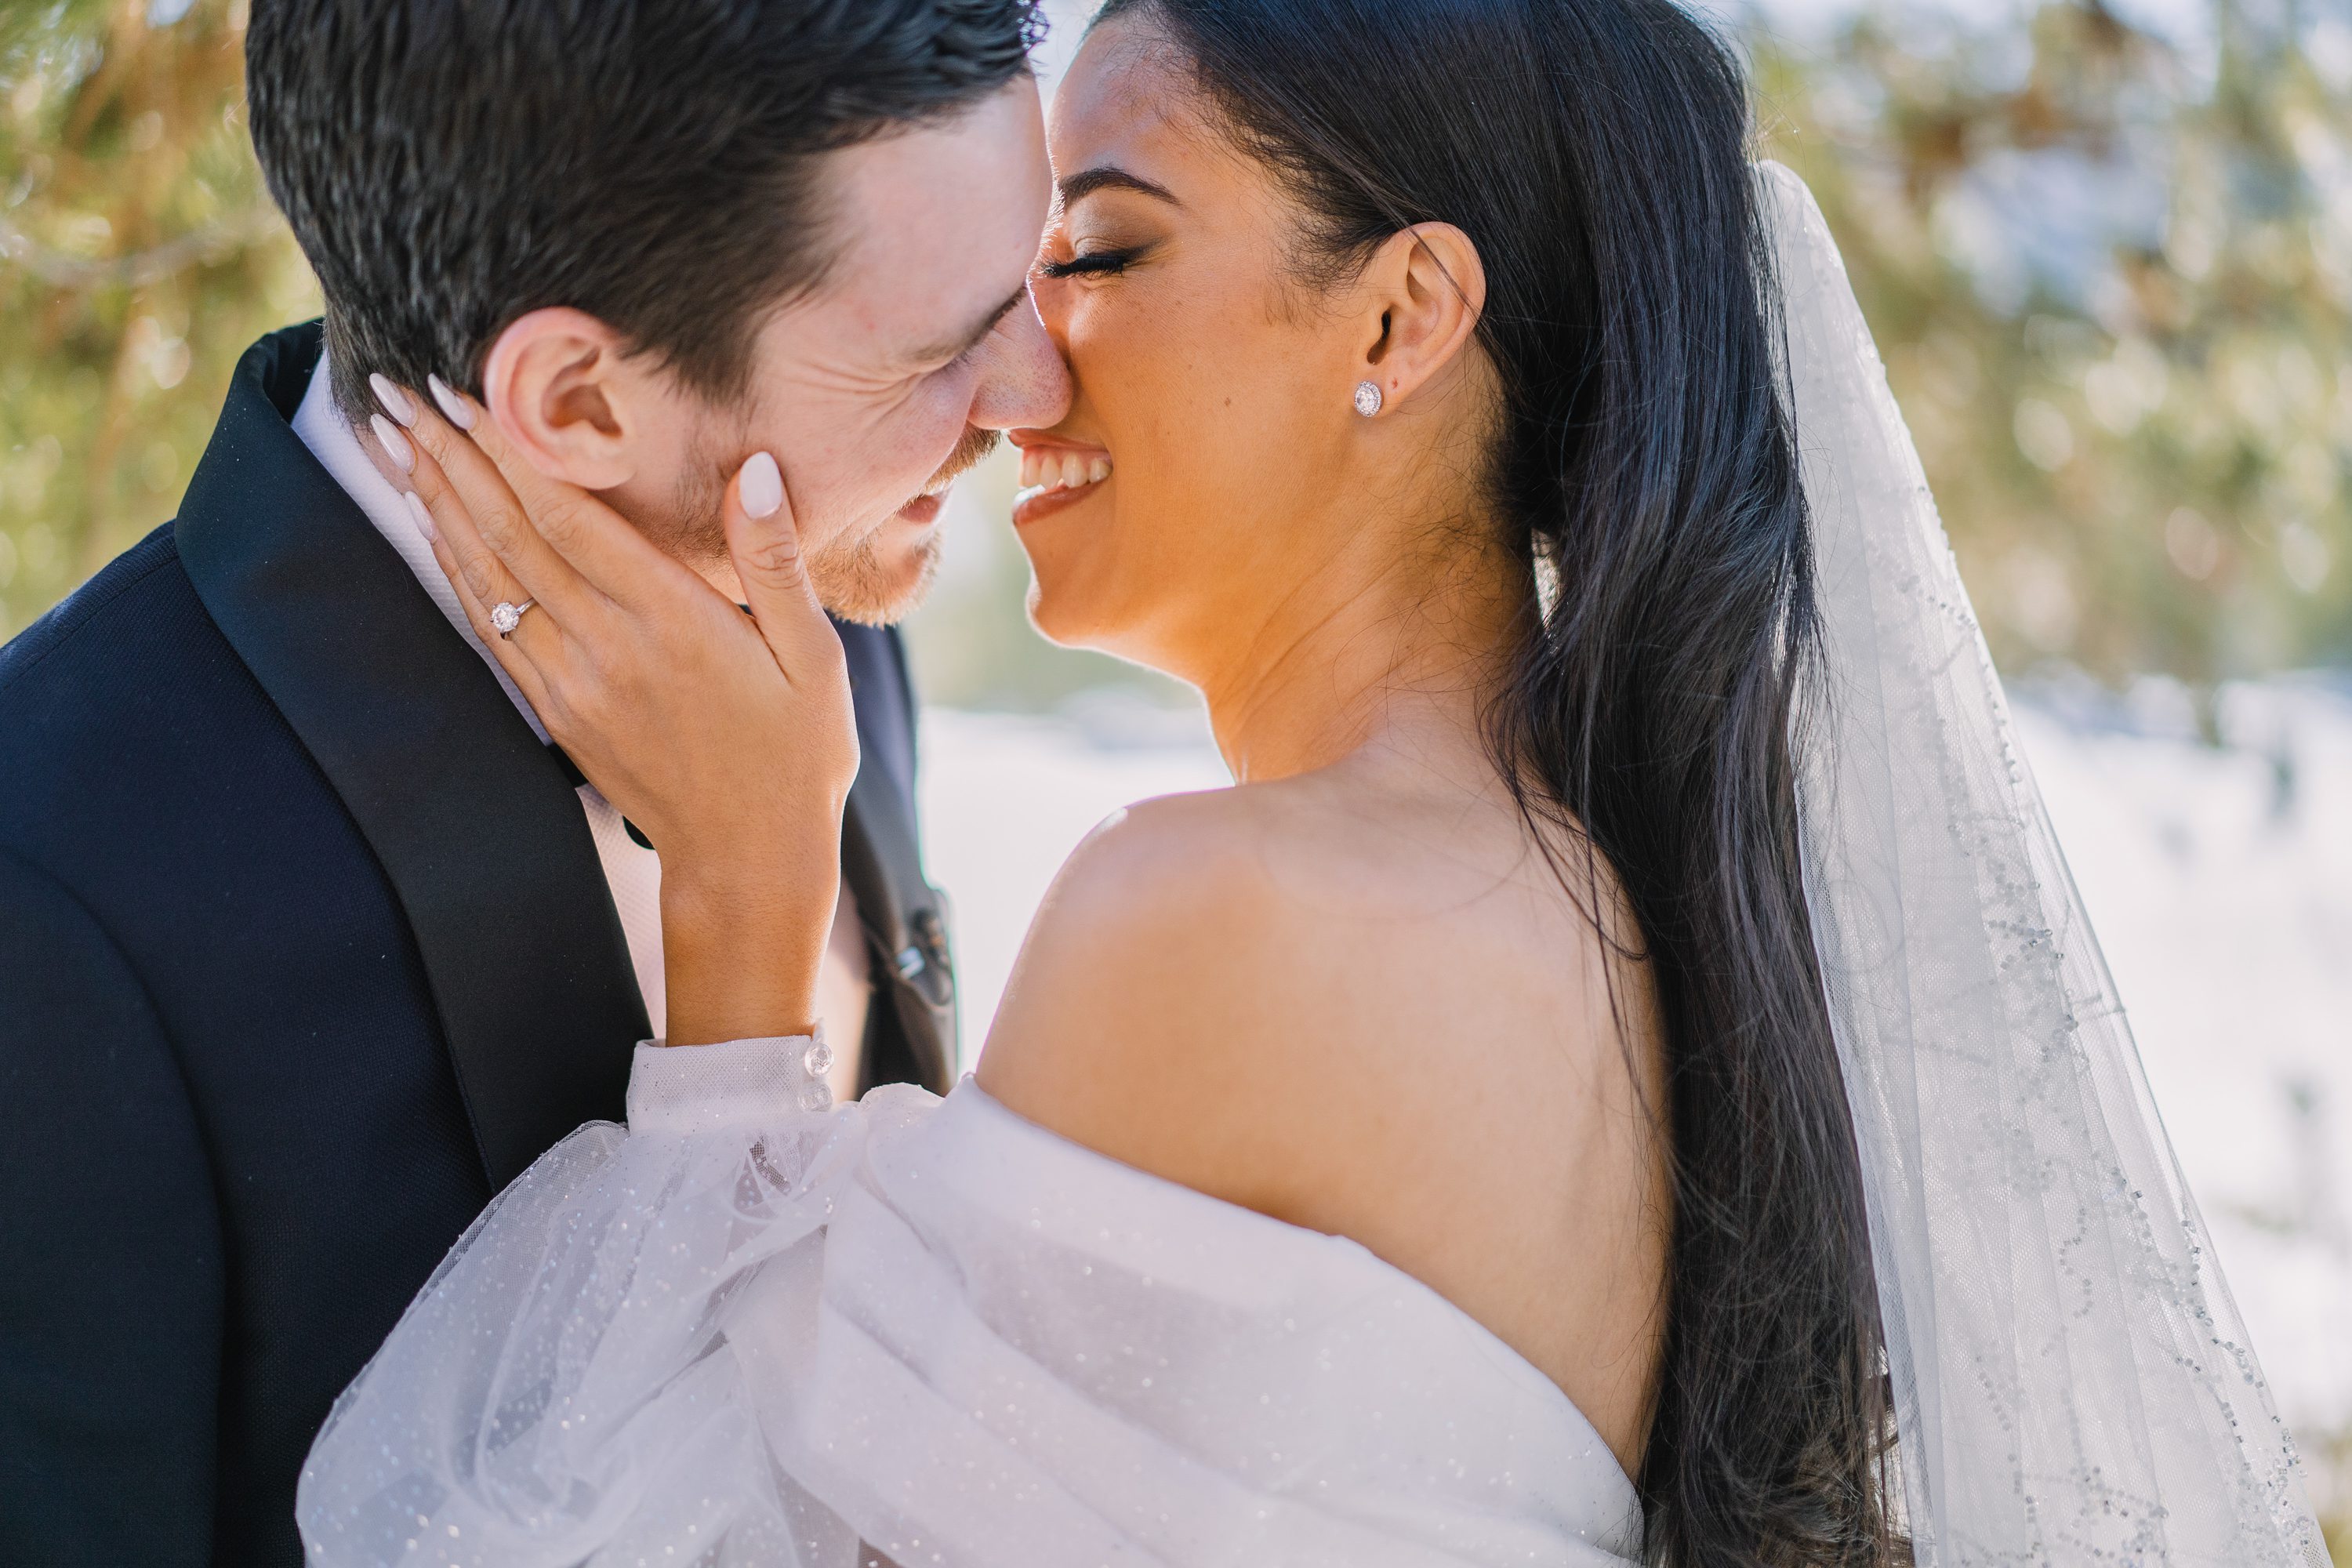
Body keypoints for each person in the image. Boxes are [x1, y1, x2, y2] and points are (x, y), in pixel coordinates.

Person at [297, 0, 2314, 1563]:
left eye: (1098, 250)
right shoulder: (1622, 895)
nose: (1026, 368)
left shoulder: (1227, 918)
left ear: (1405, 310)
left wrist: (747, 921)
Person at [0, 3, 1069, 1563]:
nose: (1039, 391)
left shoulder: (826, 597)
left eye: (1032, 281)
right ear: (575, 402)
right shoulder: (52, 893)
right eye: (945, 348)